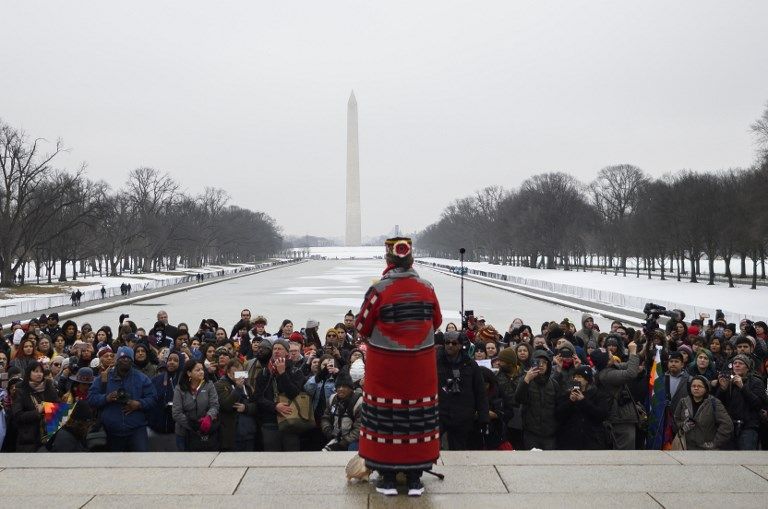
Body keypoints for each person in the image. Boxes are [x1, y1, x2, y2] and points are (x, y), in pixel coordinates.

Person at [354, 237, 442, 497]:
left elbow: (361, 326)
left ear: (388, 260)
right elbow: (436, 321)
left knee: (386, 420)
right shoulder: (427, 288)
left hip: (386, 367)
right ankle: (415, 478)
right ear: (411, 259)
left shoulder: (379, 290)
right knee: (417, 419)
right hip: (421, 367)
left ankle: (388, 477)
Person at [87, 346, 157, 452]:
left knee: (142, 463)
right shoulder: (104, 377)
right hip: (111, 431)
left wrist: (138, 404)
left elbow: (153, 398)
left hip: (136, 429)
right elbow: (91, 398)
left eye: (128, 358)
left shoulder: (142, 378)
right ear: (117, 360)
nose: (125, 360)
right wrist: (106, 398)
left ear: (132, 361)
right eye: (122, 358)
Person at [437, 330, 489, 451]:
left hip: (463, 415)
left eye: (454, 343)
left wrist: (483, 418)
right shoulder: (437, 362)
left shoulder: (471, 365)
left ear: (460, 345)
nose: (450, 345)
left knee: (458, 450)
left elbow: (480, 392)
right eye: (447, 342)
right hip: (441, 413)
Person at [254, 339, 305, 451]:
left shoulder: (296, 372)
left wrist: (282, 373)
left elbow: (293, 393)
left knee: (291, 457)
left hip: (290, 421)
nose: (276, 351)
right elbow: (258, 397)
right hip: (270, 422)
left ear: (287, 352)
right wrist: (275, 406)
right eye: (275, 349)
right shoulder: (264, 373)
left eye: (280, 349)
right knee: (272, 457)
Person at [592, 340, 640, 450]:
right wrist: (632, 352)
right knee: (625, 452)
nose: (612, 355)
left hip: (624, 418)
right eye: (609, 355)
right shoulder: (607, 375)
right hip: (621, 419)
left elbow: (629, 364)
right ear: (606, 361)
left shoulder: (610, 368)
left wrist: (640, 349)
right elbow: (631, 373)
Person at [714, 353, 767, 450]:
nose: (737, 365)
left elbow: (758, 404)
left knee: (746, 459)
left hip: (748, 427)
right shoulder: (728, 381)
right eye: (735, 363)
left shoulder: (756, 381)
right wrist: (722, 389)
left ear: (747, 368)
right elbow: (717, 404)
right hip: (729, 428)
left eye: (741, 363)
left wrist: (742, 387)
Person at [555, 365, 611, 450]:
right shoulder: (567, 395)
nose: (576, 379)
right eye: (575, 377)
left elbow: (602, 415)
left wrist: (583, 401)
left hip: (592, 441)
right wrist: (570, 401)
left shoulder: (598, 395)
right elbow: (558, 414)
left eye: (580, 377)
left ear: (587, 380)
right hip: (570, 441)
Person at [514, 350, 559, 450]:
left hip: (550, 433)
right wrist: (526, 380)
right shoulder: (525, 380)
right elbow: (518, 399)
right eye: (538, 362)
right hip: (531, 433)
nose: (541, 365)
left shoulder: (553, 383)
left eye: (544, 362)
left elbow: (558, 405)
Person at [674, 375, 733, 450]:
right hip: (686, 448)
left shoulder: (714, 403)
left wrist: (715, 443)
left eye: (699, 386)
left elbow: (727, 425)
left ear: (706, 388)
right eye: (693, 386)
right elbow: (676, 420)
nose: (696, 388)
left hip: (706, 450)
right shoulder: (683, 402)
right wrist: (683, 425)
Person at [11, 361, 59, 451]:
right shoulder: (20, 390)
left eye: (41, 371)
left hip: (49, 435)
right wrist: (37, 412)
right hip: (28, 438)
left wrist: (47, 407)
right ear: (29, 373)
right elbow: (17, 415)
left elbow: (58, 407)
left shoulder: (49, 387)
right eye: (36, 371)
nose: (39, 374)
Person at [173, 359, 219, 451]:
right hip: (184, 433)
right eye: (197, 370)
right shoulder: (180, 388)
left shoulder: (209, 385)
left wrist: (209, 417)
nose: (201, 372)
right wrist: (193, 425)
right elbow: (176, 413)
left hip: (206, 431)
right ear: (189, 373)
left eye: (202, 369)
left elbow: (214, 405)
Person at [215, 359, 257, 451]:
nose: (239, 376)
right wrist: (238, 388)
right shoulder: (220, 385)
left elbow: (256, 405)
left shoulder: (248, 387)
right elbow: (226, 405)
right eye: (235, 373)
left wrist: (246, 408)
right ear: (229, 373)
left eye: (240, 372)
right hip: (232, 434)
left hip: (248, 432)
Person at [320, 373, 362, 451]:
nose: (341, 389)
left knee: (351, 451)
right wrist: (328, 431)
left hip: (354, 440)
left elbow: (359, 428)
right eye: (338, 386)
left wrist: (344, 442)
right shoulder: (332, 399)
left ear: (351, 388)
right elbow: (325, 418)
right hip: (335, 437)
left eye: (344, 386)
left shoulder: (359, 403)